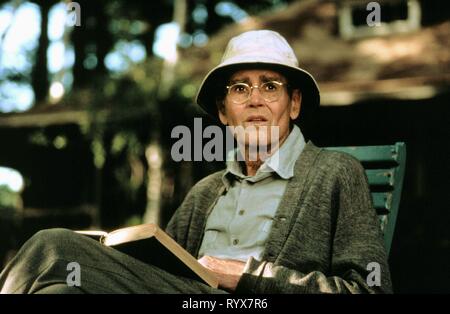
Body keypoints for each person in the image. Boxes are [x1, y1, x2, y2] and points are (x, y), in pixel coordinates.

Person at [0, 30, 392, 294]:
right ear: (224, 111)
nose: (255, 99)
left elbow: (369, 289)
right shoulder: (205, 192)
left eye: (270, 86)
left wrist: (247, 277)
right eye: (240, 88)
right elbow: (159, 275)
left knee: (52, 244)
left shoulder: (337, 173)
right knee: (59, 289)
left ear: (294, 103)